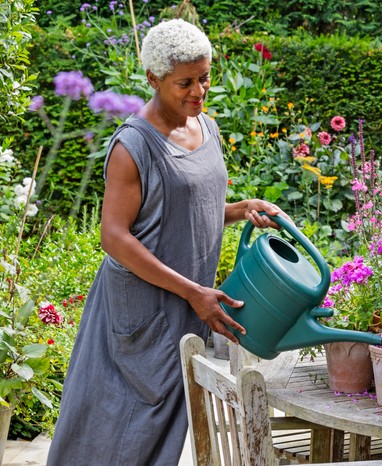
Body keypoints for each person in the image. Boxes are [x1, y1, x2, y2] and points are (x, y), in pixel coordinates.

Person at [47, 19, 287, 465]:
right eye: (186, 82)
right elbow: (114, 237)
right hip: (139, 312)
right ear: (154, 80)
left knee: (161, 433)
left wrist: (240, 209)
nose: (199, 90)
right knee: (113, 424)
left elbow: (181, 211)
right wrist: (193, 292)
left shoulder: (206, 128)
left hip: (185, 304)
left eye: (205, 77)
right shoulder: (133, 146)